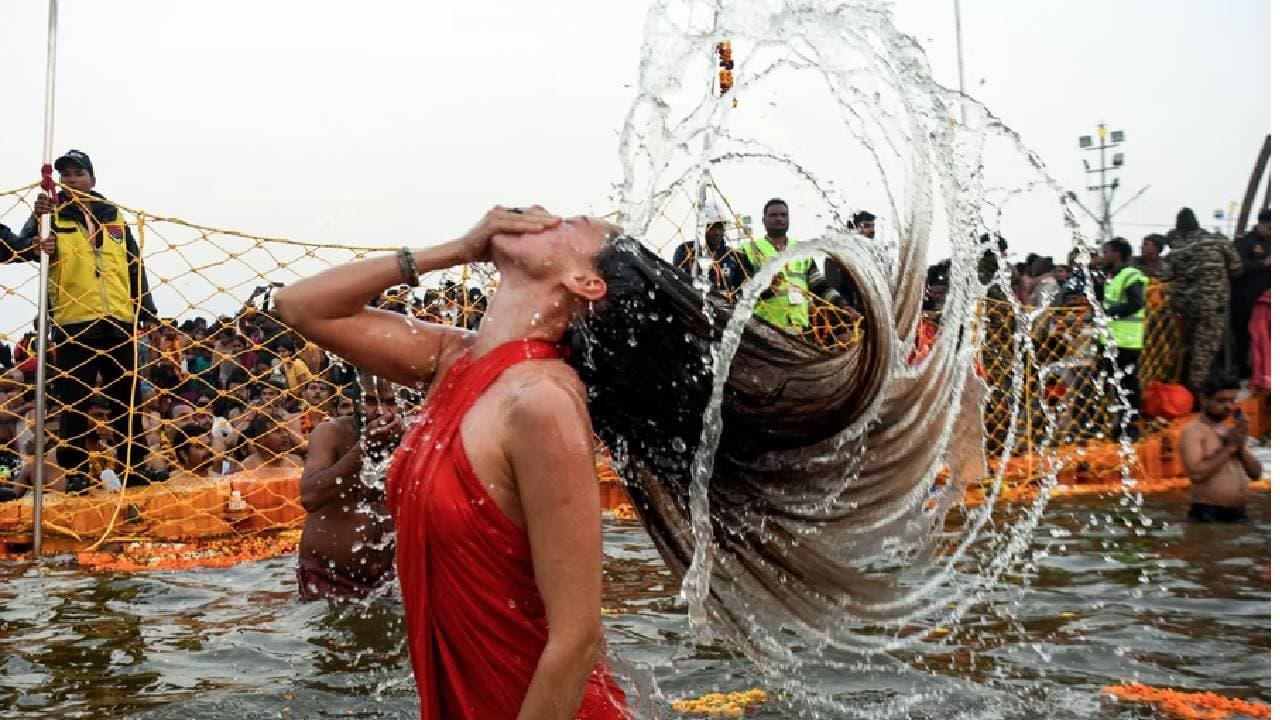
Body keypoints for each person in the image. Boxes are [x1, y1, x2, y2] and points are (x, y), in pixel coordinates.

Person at [276, 207, 628, 719]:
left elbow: (577, 638)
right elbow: (298, 305)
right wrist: (456, 250)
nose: (542, 215)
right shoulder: (450, 359)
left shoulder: (543, 401)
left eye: (569, 223)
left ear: (585, 282)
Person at [1, 150, 157, 490]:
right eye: (66, 175)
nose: (71, 179)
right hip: (74, 321)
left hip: (119, 318)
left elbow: (134, 263)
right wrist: (39, 226)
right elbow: (22, 249)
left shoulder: (113, 214)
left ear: (93, 179)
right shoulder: (51, 212)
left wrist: (146, 310)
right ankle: (76, 474)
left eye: (78, 173)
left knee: (126, 398)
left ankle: (137, 466)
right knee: (74, 401)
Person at [297, 376, 402, 601]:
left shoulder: (405, 437)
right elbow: (310, 496)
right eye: (371, 401)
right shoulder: (330, 433)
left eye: (390, 402)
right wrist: (363, 447)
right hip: (327, 577)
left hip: (384, 581)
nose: (382, 412)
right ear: (355, 404)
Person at [740, 198, 852, 334]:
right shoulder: (749, 249)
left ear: (788, 219)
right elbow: (741, 291)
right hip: (764, 330)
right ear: (764, 221)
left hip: (798, 332)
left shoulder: (802, 250)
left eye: (783, 215)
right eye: (773, 215)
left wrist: (843, 305)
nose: (779, 219)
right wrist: (767, 288)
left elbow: (820, 286)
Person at [1166, 207, 1241, 393]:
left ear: (1180, 229)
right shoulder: (1218, 240)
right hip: (1214, 305)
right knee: (1204, 350)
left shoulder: (1177, 249)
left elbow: (1166, 275)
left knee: (1192, 347)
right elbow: (1237, 267)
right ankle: (1197, 394)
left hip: (1187, 307)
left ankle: (1191, 387)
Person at [1180, 371, 1262, 522]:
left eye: (1232, 401)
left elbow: (1256, 474)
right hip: (1208, 515)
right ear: (1204, 399)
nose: (1228, 407)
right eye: (1222, 401)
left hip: (1238, 514)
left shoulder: (1229, 431)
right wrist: (1229, 448)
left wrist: (1240, 447)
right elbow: (1197, 474)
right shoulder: (1193, 432)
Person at [1099, 238, 1147, 441]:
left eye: (1106, 252)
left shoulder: (1131, 275)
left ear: (1117, 254)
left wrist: (1109, 312)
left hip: (1127, 341)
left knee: (1128, 386)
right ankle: (1119, 426)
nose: (1103, 256)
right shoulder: (1112, 277)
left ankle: (1130, 427)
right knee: (1115, 385)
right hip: (1111, 340)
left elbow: (1136, 303)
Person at [1231, 208, 1270, 382]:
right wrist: (1262, 263)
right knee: (1244, 336)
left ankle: (1266, 371)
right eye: (1269, 228)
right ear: (1261, 224)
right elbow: (1238, 267)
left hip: (1267, 301)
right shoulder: (1244, 242)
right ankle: (1243, 370)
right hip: (1245, 299)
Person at [670, 220, 746, 295]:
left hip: (723, 304)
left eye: (720, 227)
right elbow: (678, 282)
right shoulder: (685, 250)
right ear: (702, 228)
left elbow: (740, 290)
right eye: (712, 227)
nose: (717, 232)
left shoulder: (732, 256)